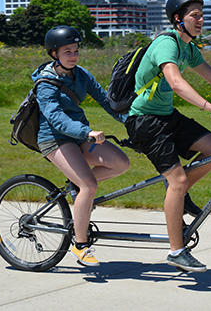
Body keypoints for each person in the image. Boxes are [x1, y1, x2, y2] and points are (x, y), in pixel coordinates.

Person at [125, 0, 211, 272]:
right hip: (144, 120)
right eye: (194, 15)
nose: (201, 20)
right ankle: (176, 251)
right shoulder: (167, 44)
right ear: (178, 19)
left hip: (165, 115)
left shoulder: (188, 47)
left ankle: (179, 191)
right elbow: (175, 82)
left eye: (202, 15)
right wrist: (207, 105)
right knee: (176, 180)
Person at [32, 25, 130, 267]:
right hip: (53, 138)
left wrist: (132, 121)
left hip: (78, 135)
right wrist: (87, 131)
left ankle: (78, 191)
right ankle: (80, 243)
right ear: (54, 54)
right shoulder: (45, 83)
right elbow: (55, 118)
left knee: (121, 163)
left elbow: (106, 100)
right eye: (67, 51)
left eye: (76, 50)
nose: (73, 56)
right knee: (89, 185)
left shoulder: (81, 74)